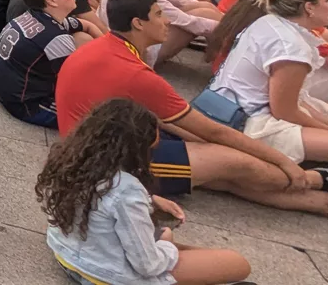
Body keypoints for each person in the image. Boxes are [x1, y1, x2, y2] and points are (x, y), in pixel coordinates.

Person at [56, 0, 328, 221]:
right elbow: (218, 133)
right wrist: (283, 162)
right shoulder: (134, 71)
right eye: (159, 14)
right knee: (256, 169)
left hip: (100, 144)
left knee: (229, 174)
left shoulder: (111, 47)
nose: (168, 20)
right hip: (104, 164)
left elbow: (189, 125)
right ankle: (327, 186)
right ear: (138, 23)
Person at [39, 98, 252, 285]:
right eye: (151, 150)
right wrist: (167, 248)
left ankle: (177, 253)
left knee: (167, 238)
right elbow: (147, 265)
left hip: (66, 255)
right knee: (237, 263)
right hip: (105, 275)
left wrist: (149, 201)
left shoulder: (73, 163)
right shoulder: (127, 190)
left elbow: (102, 202)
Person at [207, 0, 328, 165]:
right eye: (327, 1)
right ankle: (285, 162)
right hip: (245, 122)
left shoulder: (271, 22)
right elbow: (285, 112)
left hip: (232, 106)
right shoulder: (292, 48)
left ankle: (319, 154)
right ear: (309, 8)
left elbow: (295, 100)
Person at [0, 0, 100, 128]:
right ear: (51, 0)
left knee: (83, 37)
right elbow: (75, 84)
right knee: (99, 121)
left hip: (4, 86)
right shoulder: (55, 37)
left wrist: (107, 46)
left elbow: (87, 25)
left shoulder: (39, 15)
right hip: (26, 104)